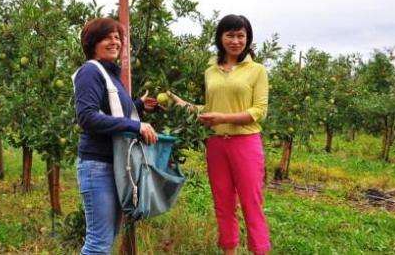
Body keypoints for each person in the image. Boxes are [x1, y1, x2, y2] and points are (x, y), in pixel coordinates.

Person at [171, 14, 271, 255]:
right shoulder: (211, 70)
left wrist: (224, 118)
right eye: (230, 35)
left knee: (251, 203)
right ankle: (229, 251)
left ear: (247, 39)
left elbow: (259, 112)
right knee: (223, 203)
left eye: (240, 36)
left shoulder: (257, 71)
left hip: (245, 143)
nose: (235, 41)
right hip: (216, 144)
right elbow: (208, 110)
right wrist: (180, 103)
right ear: (220, 37)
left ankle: (260, 250)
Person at [73, 17, 158, 255]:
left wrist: (139, 105)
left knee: (107, 238)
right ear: (92, 42)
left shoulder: (111, 75)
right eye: (107, 37)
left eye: (117, 37)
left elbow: (112, 111)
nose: (115, 42)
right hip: (97, 164)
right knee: (98, 243)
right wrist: (136, 127)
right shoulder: (90, 71)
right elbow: (87, 117)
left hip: (114, 164)